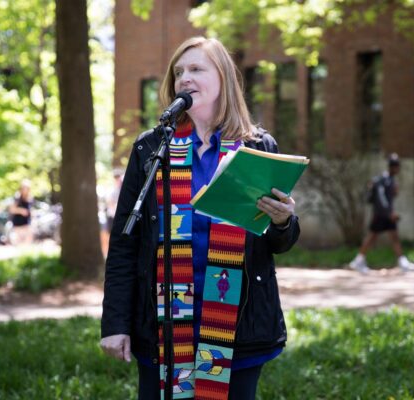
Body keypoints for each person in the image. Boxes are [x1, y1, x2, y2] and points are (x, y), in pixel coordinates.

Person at [100, 36, 300, 400]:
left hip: (236, 326)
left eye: (196, 69)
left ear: (222, 77)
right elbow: (125, 243)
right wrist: (115, 323)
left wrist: (284, 220)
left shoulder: (256, 147)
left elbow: (278, 242)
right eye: (179, 72)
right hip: (163, 326)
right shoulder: (151, 148)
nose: (184, 78)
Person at [349, 153, 411, 274]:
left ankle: (403, 262)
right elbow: (382, 198)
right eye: (397, 167)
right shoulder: (383, 180)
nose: (398, 169)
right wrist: (389, 212)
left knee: (394, 237)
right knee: (372, 237)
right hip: (381, 214)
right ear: (393, 167)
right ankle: (358, 260)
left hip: (387, 214)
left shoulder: (391, 180)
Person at [8, 179, 33, 245]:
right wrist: (21, 211)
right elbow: (12, 209)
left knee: (27, 243)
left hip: (26, 224)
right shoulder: (17, 197)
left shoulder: (30, 198)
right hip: (18, 224)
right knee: (18, 243)